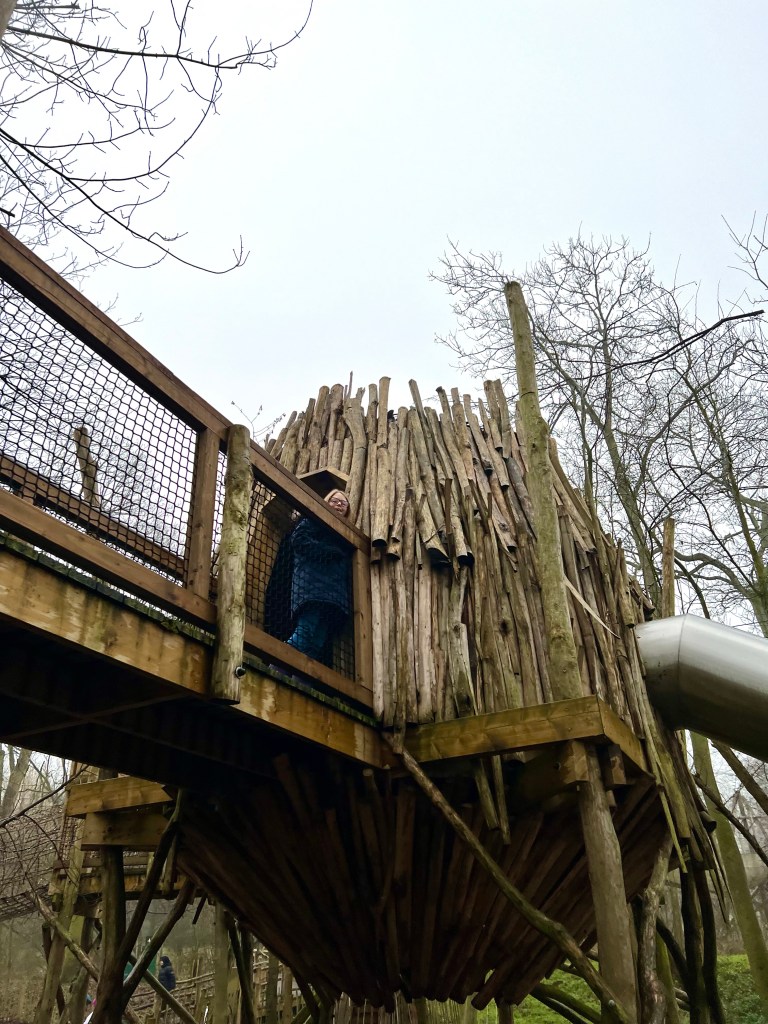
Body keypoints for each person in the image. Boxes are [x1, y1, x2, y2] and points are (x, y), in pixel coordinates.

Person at [283, 488, 353, 664]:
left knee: (317, 642)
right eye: (334, 501)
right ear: (326, 502)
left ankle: (300, 676)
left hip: (332, 594)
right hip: (312, 588)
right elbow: (299, 539)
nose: (339, 505)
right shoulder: (315, 519)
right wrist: (328, 551)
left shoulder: (345, 534)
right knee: (305, 631)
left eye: (343, 503)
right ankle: (278, 665)